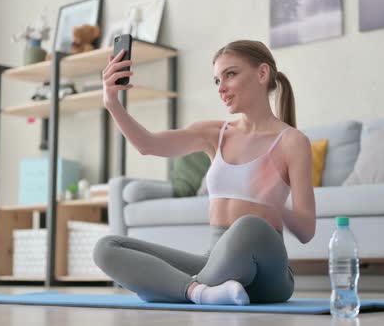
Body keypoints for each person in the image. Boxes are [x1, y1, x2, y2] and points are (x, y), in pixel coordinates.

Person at [93, 40, 316, 305]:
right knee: (106, 248)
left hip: (267, 275)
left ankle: (171, 288)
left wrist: (274, 207)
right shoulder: (215, 133)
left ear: (262, 73)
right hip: (214, 261)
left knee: (250, 224)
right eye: (216, 80)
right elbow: (147, 145)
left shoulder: (292, 141)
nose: (221, 88)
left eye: (230, 74)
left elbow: (306, 230)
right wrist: (112, 103)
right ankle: (200, 292)